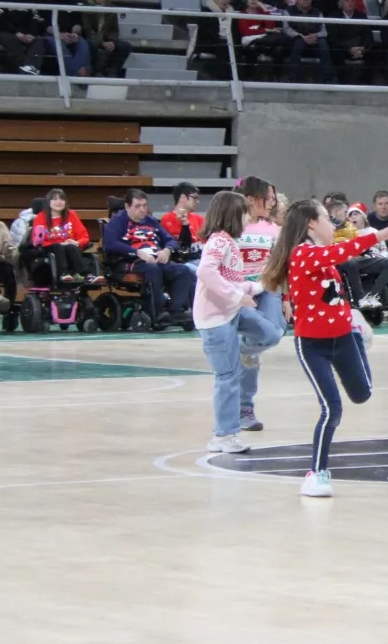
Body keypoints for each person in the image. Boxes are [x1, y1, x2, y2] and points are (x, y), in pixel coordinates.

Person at [261, 199, 388, 498]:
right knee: (331, 408)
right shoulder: (302, 254)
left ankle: (359, 337)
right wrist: (375, 236)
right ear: (311, 223)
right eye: (327, 218)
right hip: (313, 345)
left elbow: (332, 295)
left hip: (344, 338)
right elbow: (339, 252)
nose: (332, 225)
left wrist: (353, 321)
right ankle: (317, 473)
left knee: (363, 394)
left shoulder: (321, 258)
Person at [192, 192, 285, 455]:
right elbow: (205, 272)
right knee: (227, 377)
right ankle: (224, 435)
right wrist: (237, 296)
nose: (249, 217)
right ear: (233, 214)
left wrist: (256, 287)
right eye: (245, 212)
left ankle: (243, 351)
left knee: (271, 333)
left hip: (232, 312)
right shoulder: (218, 241)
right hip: (215, 319)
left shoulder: (230, 243)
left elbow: (232, 279)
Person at [102, 187, 197, 328]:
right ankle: (157, 313)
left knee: (183, 270)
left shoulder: (151, 221)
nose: (142, 210)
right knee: (153, 270)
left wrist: (167, 250)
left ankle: (176, 311)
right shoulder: (118, 221)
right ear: (127, 207)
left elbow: (169, 239)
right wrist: (137, 253)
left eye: (145, 205)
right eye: (137, 206)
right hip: (129, 261)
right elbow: (110, 243)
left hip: (155, 259)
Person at [233, 176, 285, 432]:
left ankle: (243, 348)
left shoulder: (274, 229)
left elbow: (280, 266)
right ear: (252, 200)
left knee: (274, 334)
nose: (272, 203)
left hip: (267, 291)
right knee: (253, 353)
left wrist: (286, 297)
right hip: (238, 294)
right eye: (268, 198)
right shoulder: (231, 227)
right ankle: (244, 408)